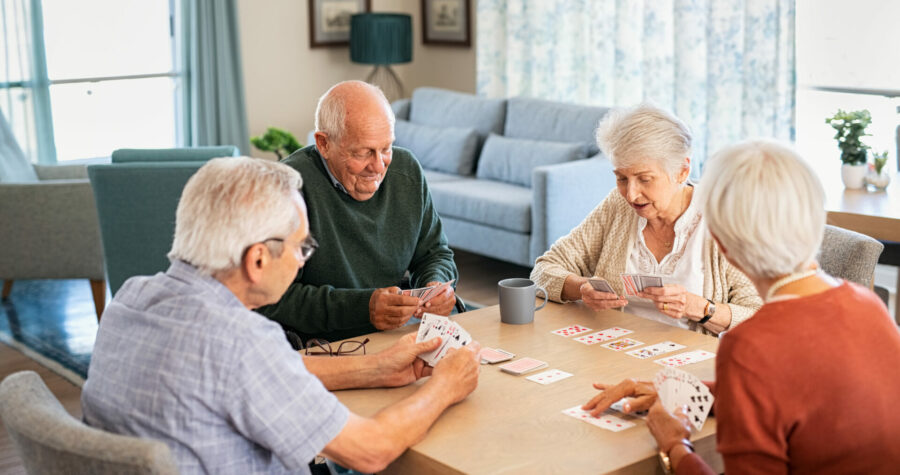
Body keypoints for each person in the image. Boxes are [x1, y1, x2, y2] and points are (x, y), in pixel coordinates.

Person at [81, 157, 480, 474]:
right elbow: (371, 450)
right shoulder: (241, 340)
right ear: (257, 259)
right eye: (301, 247)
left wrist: (375, 368)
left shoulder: (130, 297)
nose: (302, 258)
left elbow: (265, 372)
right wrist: (445, 386)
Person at [582, 140, 900, 473]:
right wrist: (681, 390)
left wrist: (674, 446)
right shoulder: (867, 303)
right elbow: (793, 393)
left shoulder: (750, 345)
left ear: (721, 244)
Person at [530, 104, 761, 334]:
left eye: (645, 179)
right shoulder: (619, 206)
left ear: (682, 170)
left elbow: (760, 316)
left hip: (691, 362)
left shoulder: (722, 217)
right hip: (615, 351)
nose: (631, 194)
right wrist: (581, 288)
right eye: (621, 178)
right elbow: (542, 271)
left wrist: (701, 309)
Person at [259, 81, 457, 342]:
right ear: (323, 144)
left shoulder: (406, 171)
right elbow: (271, 298)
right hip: (319, 347)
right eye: (363, 153)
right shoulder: (287, 189)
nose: (378, 166)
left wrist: (436, 285)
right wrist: (362, 308)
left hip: (396, 335)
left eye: (386, 148)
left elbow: (435, 253)